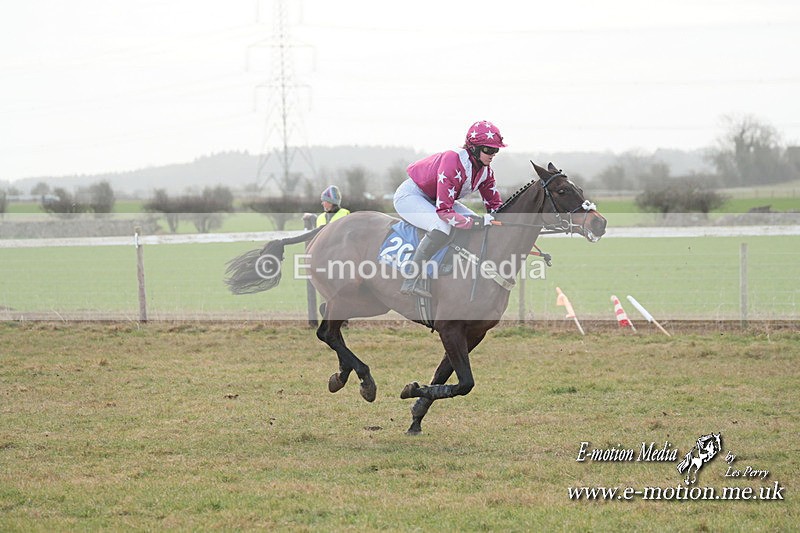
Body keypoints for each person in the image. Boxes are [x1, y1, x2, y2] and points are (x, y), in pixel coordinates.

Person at [393, 120, 505, 298]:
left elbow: (495, 207)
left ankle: (449, 264)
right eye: (489, 150)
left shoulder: (486, 172)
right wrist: (477, 221)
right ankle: (411, 279)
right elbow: (444, 212)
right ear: (474, 148)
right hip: (412, 196)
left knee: (476, 220)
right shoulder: (453, 161)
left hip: (435, 198)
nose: (492, 155)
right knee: (442, 226)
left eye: (496, 150)